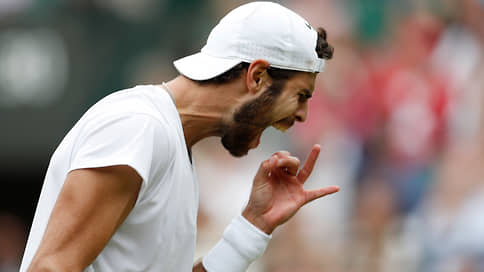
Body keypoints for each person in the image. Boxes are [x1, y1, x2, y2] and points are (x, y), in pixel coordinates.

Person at [20, 2, 337, 271]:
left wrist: (252, 227)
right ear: (256, 77)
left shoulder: (168, 140)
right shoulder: (138, 127)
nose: (302, 116)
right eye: (300, 96)